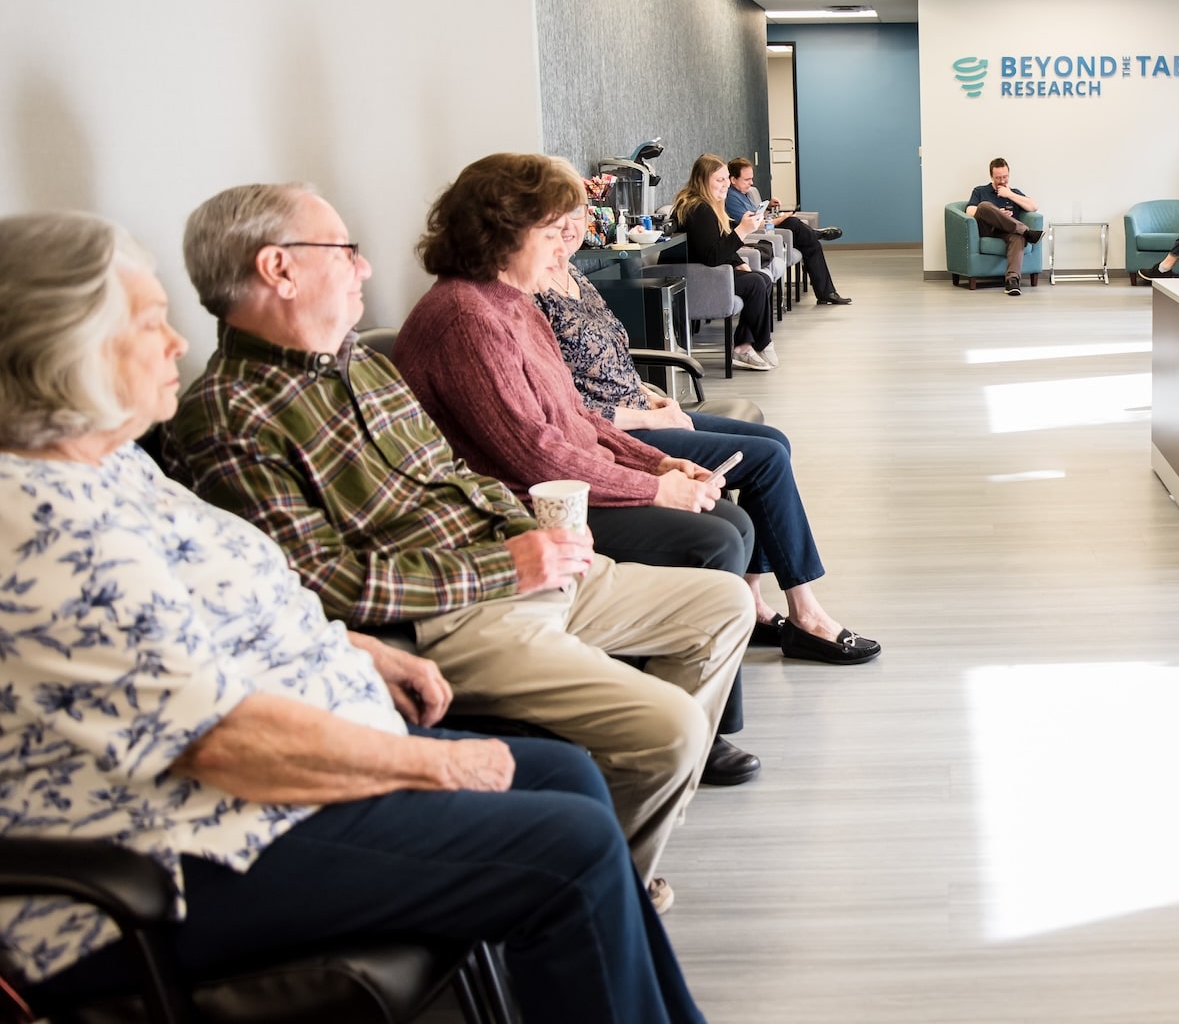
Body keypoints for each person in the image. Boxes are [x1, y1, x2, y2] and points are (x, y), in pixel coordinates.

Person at [0, 211, 704, 1023]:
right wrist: (438, 767)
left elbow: (218, 614)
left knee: (569, 776)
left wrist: (352, 648)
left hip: (261, 783)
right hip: (184, 846)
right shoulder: (44, 522)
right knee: (566, 845)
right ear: (66, 350)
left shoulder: (107, 464)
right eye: (150, 323)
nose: (177, 344)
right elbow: (224, 742)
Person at [166, 180, 753, 915]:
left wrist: (534, 530)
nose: (366, 267)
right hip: (452, 616)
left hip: (529, 566)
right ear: (278, 269)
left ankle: (615, 849)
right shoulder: (229, 417)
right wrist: (505, 562)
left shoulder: (360, 364)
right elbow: (316, 582)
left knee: (725, 601)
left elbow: (462, 470)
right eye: (344, 250)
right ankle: (594, 881)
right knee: (668, 728)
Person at [537, 202, 881, 666]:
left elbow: (615, 356)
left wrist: (655, 395)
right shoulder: (530, 298)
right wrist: (648, 420)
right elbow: (566, 407)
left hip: (645, 408)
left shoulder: (574, 278)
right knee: (767, 460)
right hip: (620, 434)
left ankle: (754, 604)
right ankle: (806, 614)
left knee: (775, 440)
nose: (570, 227)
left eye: (577, 214)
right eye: (556, 218)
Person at [674, 154, 778, 370]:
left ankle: (743, 346)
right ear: (703, 179)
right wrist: (741, 230)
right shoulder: (698, 208)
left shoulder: (708, 206)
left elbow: (718, 242)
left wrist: (740, 263)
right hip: (697, 279)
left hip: (709, 274)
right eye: (719, 180)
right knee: (756, 282)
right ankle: (761, 343)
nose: (725, 185)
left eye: (726, 179)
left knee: (762, 279)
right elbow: (712, 256)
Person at [724, 158, 850, 306]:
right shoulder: (731, 198)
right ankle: (826, 291)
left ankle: (826, 292)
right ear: (733, 179)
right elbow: (751, 225)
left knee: (810, 243)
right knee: (793, 223)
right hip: (758, 236)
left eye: (751, 178)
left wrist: (768, 206)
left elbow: (756, 215)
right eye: (747, 179)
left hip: (770, 231)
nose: (751, 183)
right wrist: (780, 219)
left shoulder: (742, 193)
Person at [967, 157, 1043, 296]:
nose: (1002, 181)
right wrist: (996, 213)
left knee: (1018, 238)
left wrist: (1010, 194)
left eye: (1005, 177)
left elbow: (1034, 206)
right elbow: (970, 211)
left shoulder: (1014, 193)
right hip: (988, 230)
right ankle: (1026, 231)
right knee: (984, 206)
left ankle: (1012, 281)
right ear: (991, 176)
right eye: (998, 178)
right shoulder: (980, 191)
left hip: (1008, 231)